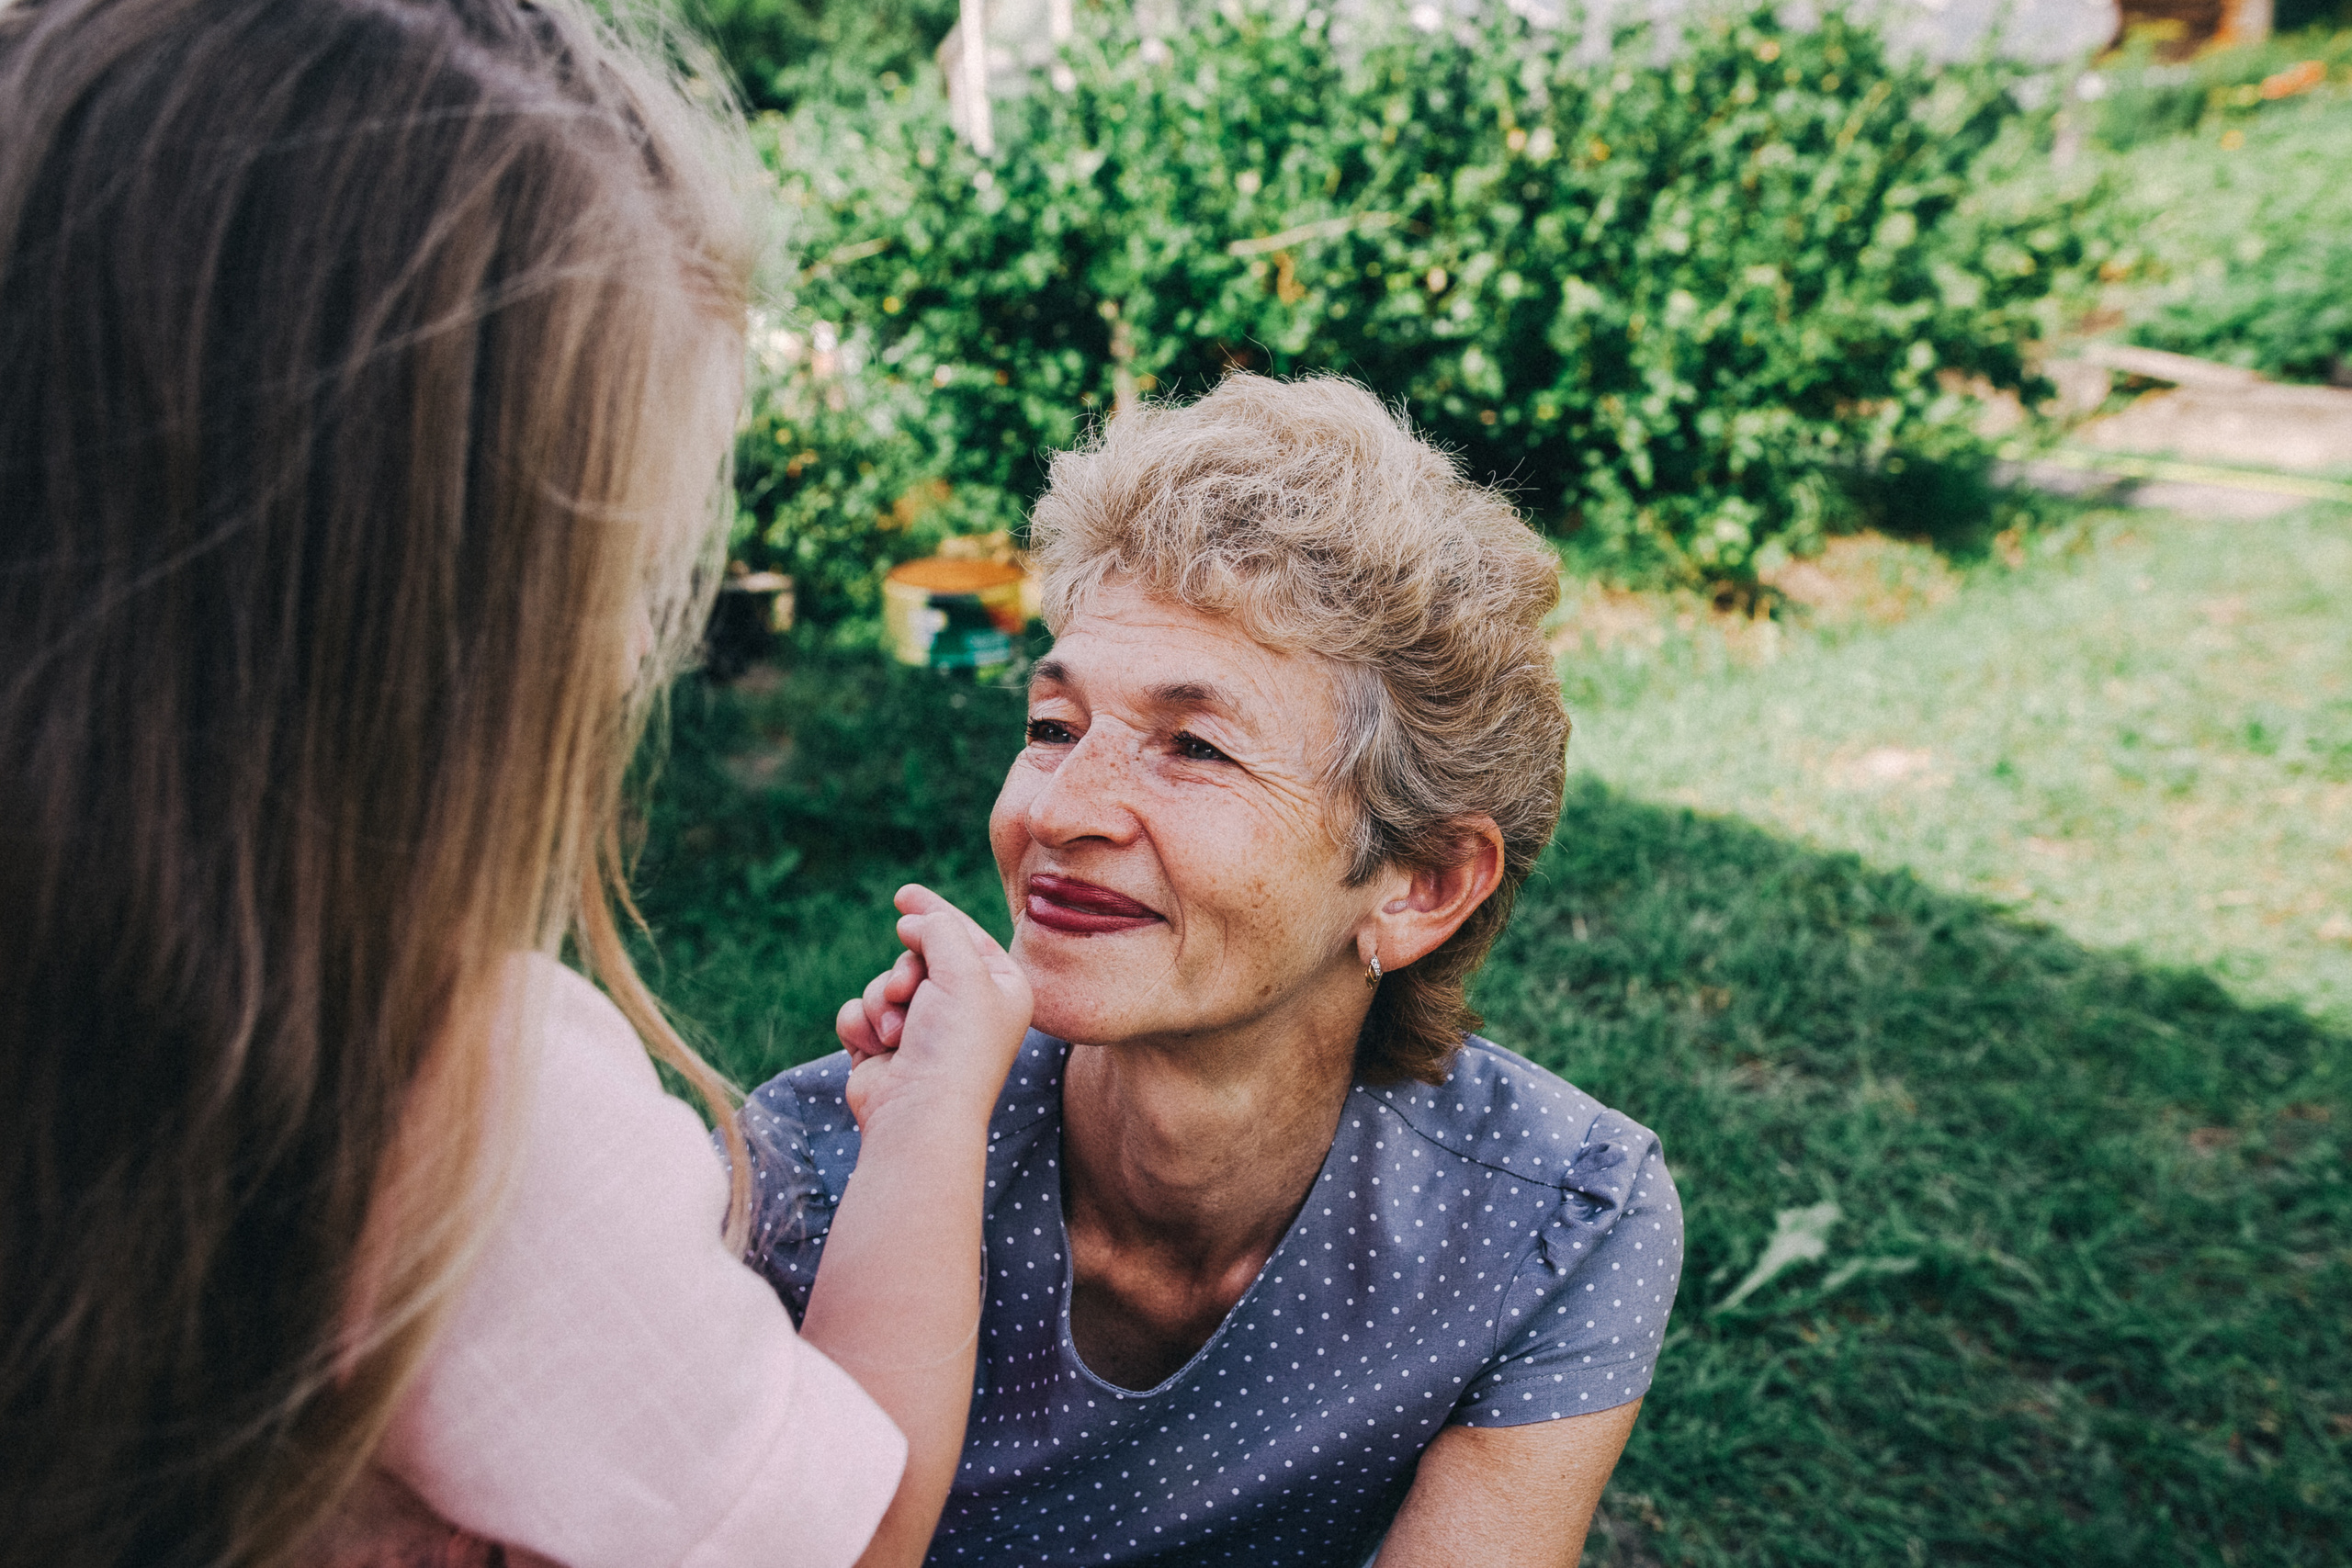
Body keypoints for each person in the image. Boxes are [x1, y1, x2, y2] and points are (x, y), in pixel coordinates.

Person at [0, 5, 1025, 1566]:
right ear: (417, 606)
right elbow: (850, 1532)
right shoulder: (450, 1105)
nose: (634, 653)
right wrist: (945, 1107)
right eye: (614, 569)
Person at [751, 374, 1686, 1565]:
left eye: (1194, 746)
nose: (1064, 807)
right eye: (1054, 726)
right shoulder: (819, 1172)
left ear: (1420, 885)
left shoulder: (1547, 1224)